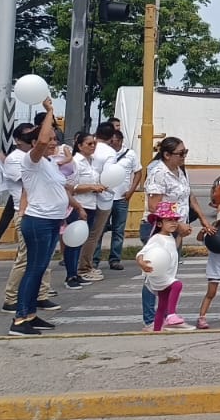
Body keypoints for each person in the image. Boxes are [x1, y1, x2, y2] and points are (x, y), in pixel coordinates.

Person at [10, 99, 72, 337]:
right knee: (34, 269)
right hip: (38, 221)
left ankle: (31, 314)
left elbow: (61, 189)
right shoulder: (31, 161)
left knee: (40, 267)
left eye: (56, 140)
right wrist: (50, 112)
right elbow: (43, 138)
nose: (53, 143)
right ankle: (19, 319)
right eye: (49, 140)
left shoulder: (49, 163)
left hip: (52, 220)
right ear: (34, 144)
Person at [63, 132, 107, 290]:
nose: (93, 146)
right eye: (89, 144)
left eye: (94, 143)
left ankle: (76, 273)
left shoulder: (93, 162)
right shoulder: (75, 162)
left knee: (81, 240)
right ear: (79, 145)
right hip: (78, 205)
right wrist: (91, 187)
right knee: (73, 241)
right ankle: (70, 275)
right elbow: (70, 187)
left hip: (91, 204)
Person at [90, 123, 135, 272]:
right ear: (110, 139)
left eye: (117, 141)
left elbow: (138, 171)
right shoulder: (105, 152)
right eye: (113, 140)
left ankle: (115, 259)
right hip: (103, 197)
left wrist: (130, 191)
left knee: (118, 230)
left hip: (120, 198)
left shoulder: (129, 154)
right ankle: (94, 260)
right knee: (98, 231)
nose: (114, 144)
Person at [138, 202, 189, 331]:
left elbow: (173, 249)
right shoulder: (157, 238)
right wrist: (142, 263)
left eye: (175, 220)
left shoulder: (170, 237)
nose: (173, 223)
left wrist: (180, 237)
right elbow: (141, 253)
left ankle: (156, 328)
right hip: (159, 275)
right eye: (169, 220)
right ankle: (171, 315)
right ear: (160, 223)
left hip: (166, 274)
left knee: (162, 304)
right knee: (177, 285)